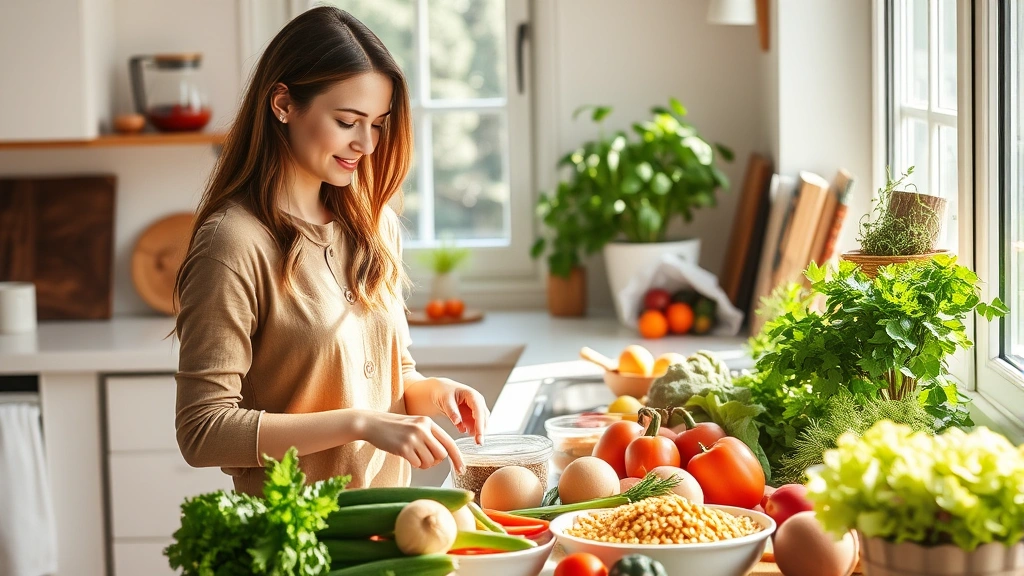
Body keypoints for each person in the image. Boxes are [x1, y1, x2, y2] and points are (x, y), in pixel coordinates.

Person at [172, 6, 488, 496]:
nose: (366, 143)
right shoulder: (232, 243)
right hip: (291, 545)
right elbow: (202, 431)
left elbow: (395, 375)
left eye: (378, 124)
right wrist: (359, 424)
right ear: (283, 103)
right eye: (347, 121)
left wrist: (437, 393)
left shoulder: (373, 222)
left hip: (389, 530)